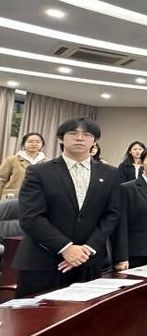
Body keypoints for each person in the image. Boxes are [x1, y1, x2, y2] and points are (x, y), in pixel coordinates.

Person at [14, 118, 121, 297]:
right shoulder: (39, 172)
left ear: (94, 141)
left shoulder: (109, 173)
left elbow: (112, 214)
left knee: (87, 313)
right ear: (61, 138)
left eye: (87, 135)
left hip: (88, 262)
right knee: (38, 313)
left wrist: (87, 248)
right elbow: (31, 217)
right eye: (73, 133)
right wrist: (66, 248)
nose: (80, 138)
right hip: (43, 261)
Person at [0, 132, 47, 199]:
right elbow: (1, 179)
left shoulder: (47, 162)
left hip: (37, 198)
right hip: (13, 197)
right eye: (30, 142)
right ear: (23, 144)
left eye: (38, 142)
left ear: (42, 144)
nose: (34, 144)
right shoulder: (12, 160)